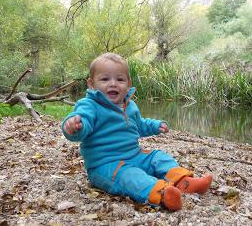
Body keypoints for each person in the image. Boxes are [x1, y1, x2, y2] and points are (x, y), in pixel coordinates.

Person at [61, 53, 213, 211]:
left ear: (128, 83)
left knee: (157, 157)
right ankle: (161, 193)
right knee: (131, 177)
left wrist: (154, 126)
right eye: (105, 79)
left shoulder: (130, 105)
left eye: (120, 79)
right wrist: (74, 127)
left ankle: (184, 181)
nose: (113, 84)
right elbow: (82, 123)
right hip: (106, 165)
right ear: (92, 84)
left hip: (135, 155)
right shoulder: (89, 105)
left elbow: (139, 125)